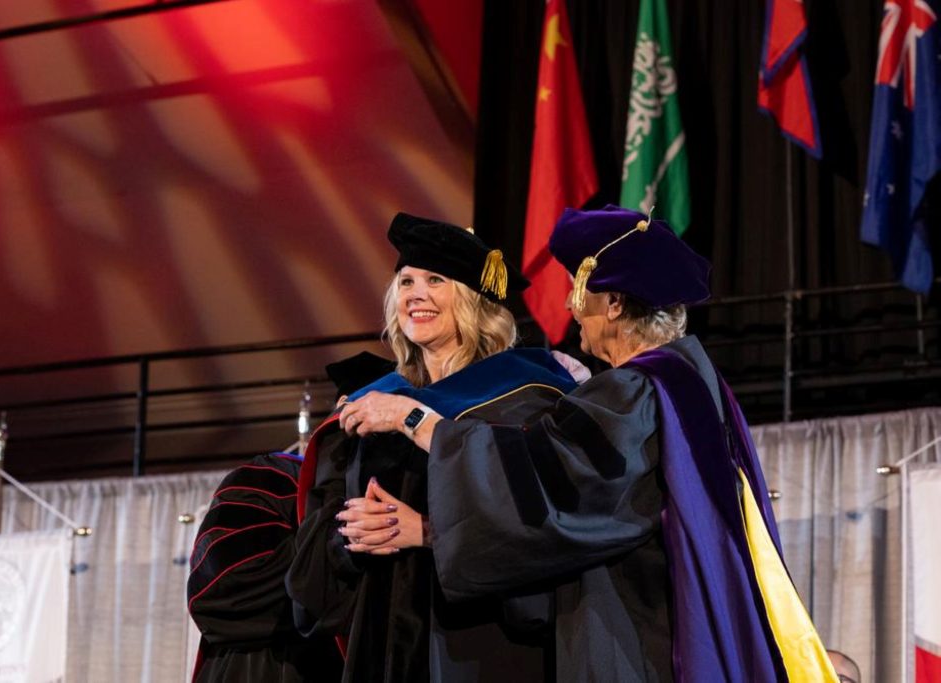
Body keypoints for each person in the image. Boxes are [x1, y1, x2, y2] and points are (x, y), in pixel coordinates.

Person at [339, 205, 839, 682]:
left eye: (582, 294)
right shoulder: (686, 382)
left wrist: (415, 423)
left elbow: (554, 490)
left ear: (614, 303)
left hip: (635, 627)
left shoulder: (634, 392)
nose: (571, 309)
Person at [285, 212, 579, 683]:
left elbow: (539, 528)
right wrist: (353, 536)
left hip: (481, 642)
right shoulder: (373, 406)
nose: (414, 294)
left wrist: (429, 531)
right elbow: (314, 573)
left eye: (435, 280)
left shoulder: (524, 398)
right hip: (382, 641)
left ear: (472, 301)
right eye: (405, 281)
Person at [186, 352, 393, 682]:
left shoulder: (412, 502)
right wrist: (341, 540)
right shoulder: (270, 479)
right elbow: (219, 595)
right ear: (343, 409)